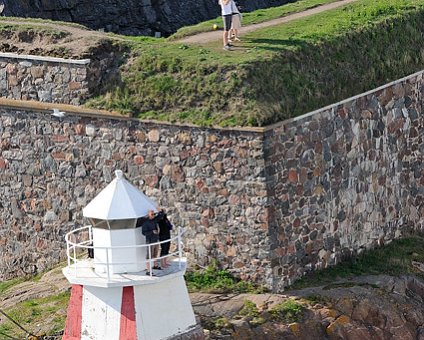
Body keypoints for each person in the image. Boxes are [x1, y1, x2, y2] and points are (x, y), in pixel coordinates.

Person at [141, 210, 161, 275]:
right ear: (148, 215)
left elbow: (161, 216)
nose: (153, 215)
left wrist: (160, 211)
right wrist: (152, 232)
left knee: (155, 254)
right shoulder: (146, 223)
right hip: (150, 241)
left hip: (156, 240)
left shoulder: (154, 220)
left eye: (154, 214)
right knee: (149, 256)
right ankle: (148, 270)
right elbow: (143, 233)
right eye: (152, 214)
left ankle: (155, 265)